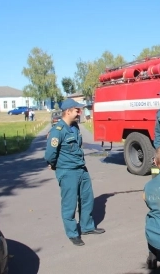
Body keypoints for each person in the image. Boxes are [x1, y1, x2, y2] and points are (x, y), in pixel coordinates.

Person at [44, 98, 105, 246]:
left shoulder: (75, 127)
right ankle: (72, 233)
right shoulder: (57, 131)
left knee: (87, 199)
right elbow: (50, 154)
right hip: (67, 171)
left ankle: (87, 227)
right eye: (77, 110)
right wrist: (54, 165)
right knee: (69, 204)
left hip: (81, 169)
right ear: (68, 111)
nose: (80, 112)